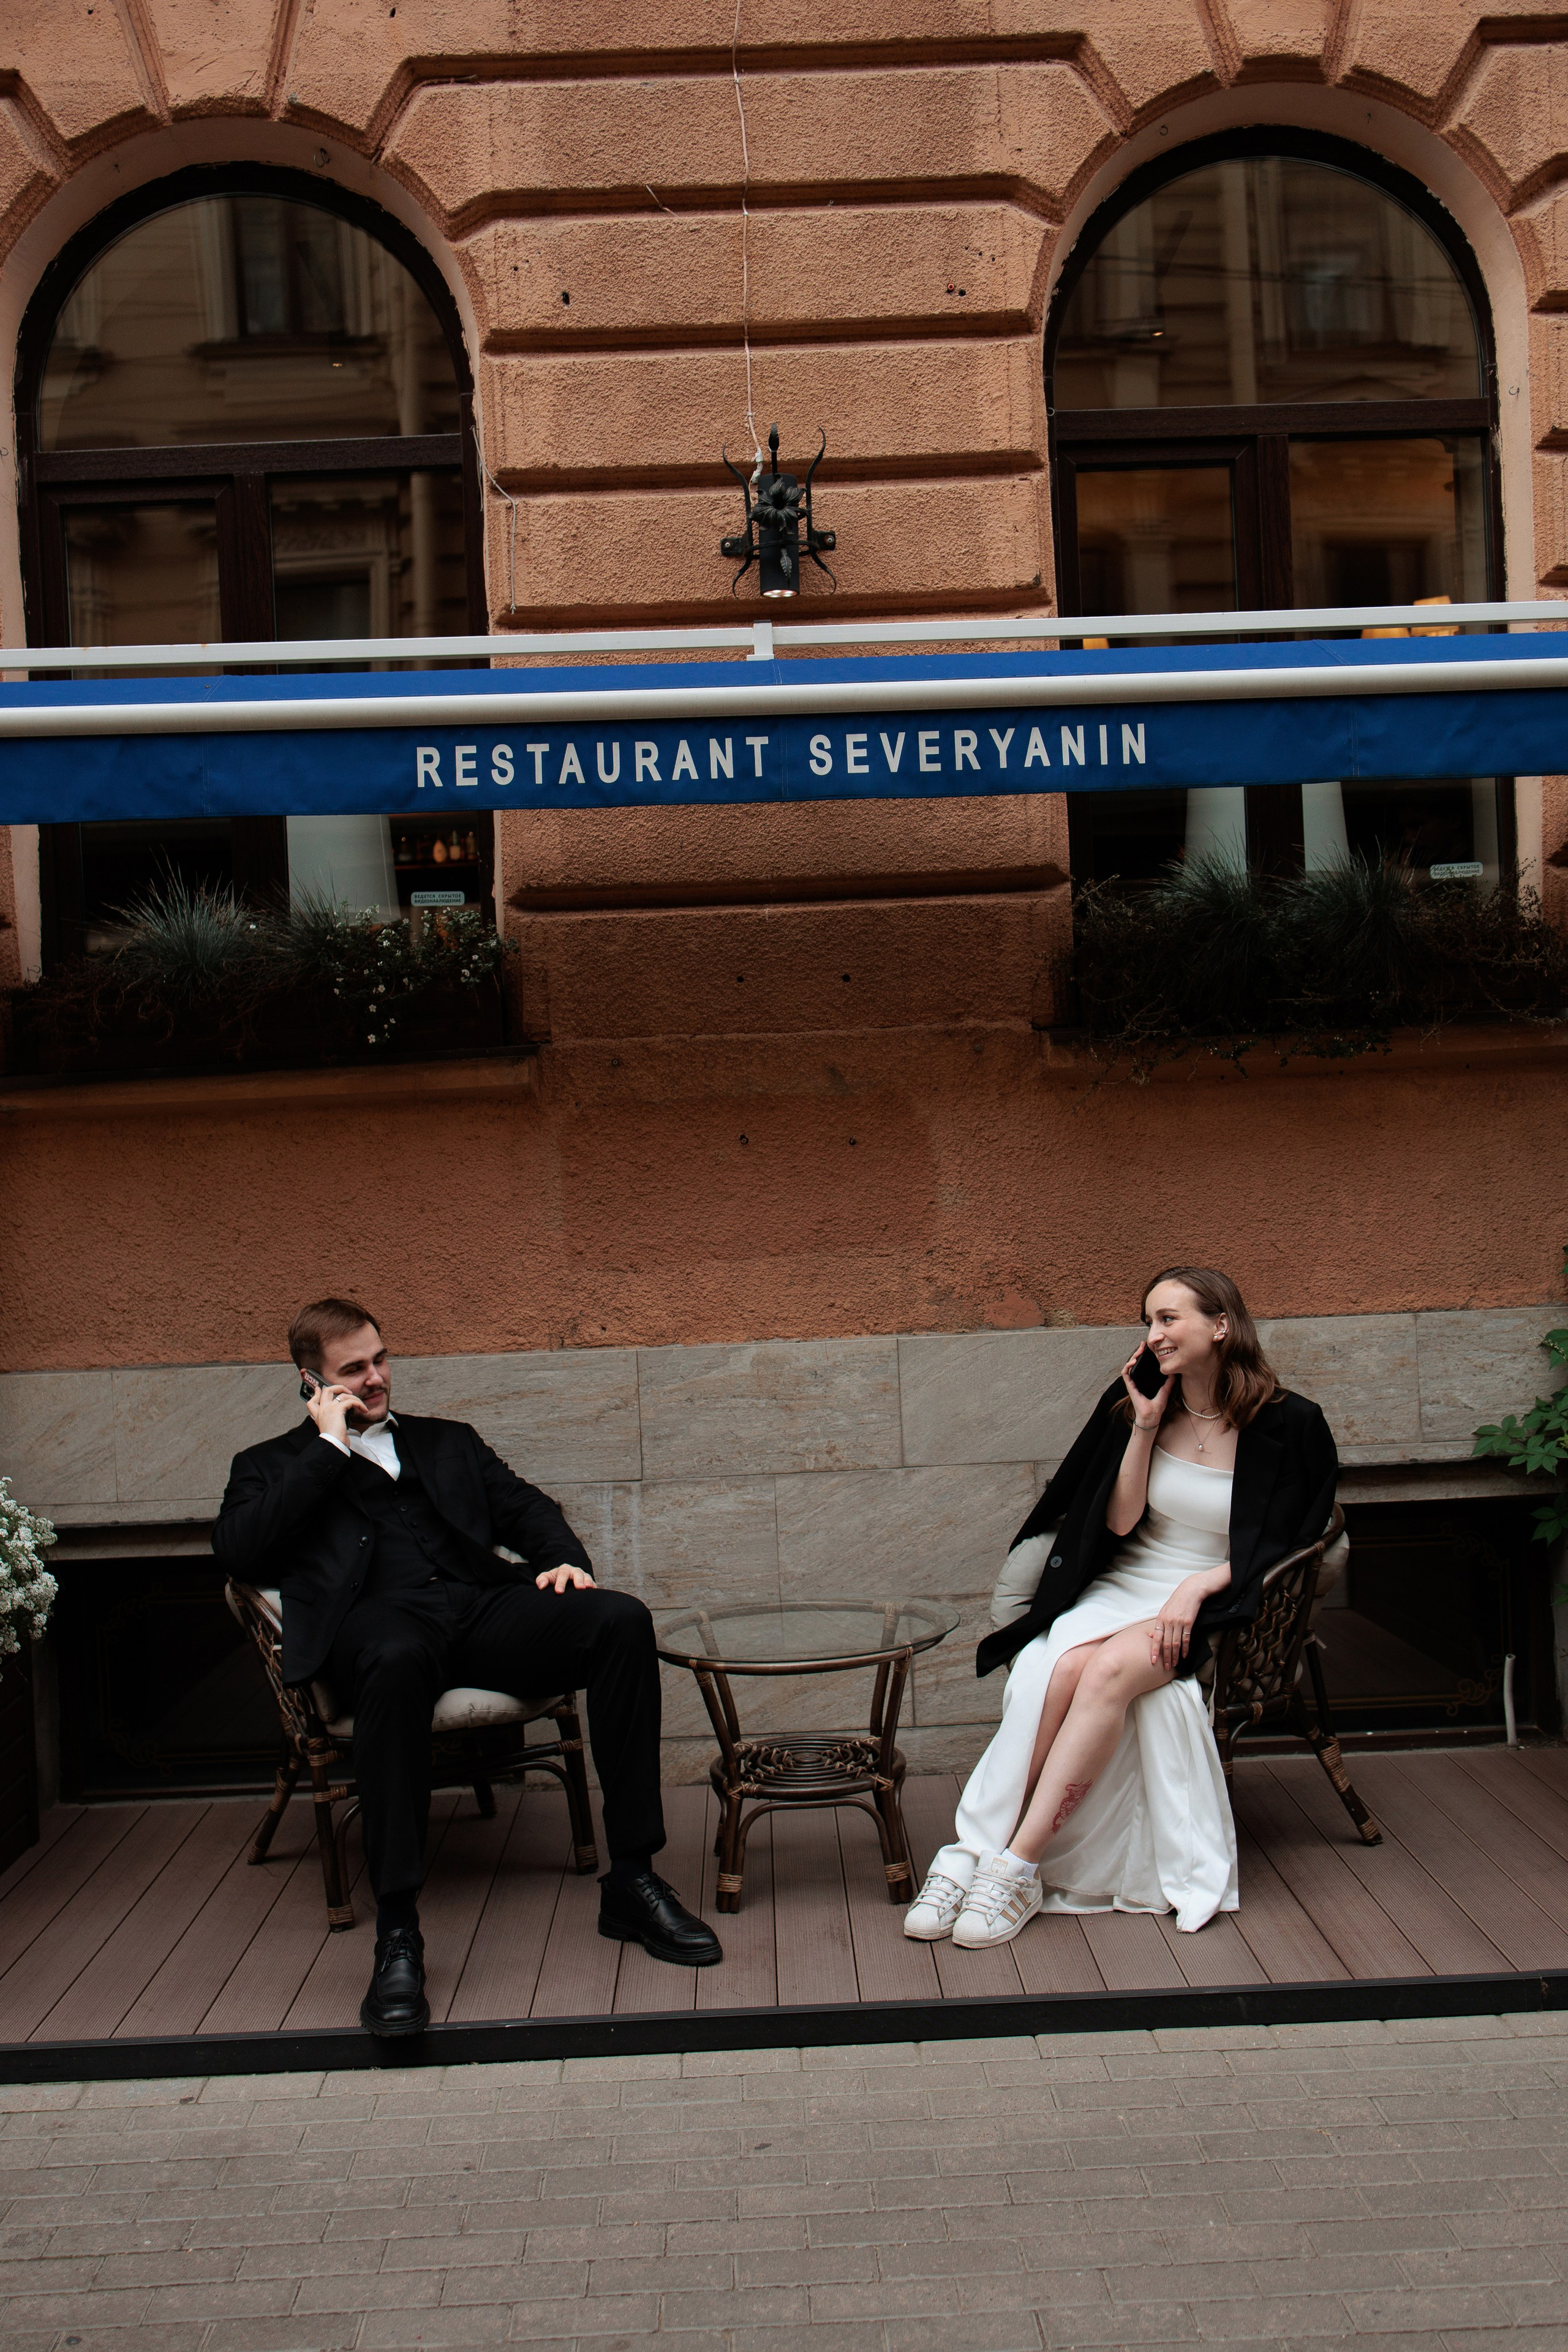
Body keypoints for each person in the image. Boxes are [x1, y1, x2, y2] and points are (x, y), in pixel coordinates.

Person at [214, 1297, 722, 2035]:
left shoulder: (448, 1442)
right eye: (353, 1370)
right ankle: (398, 1932)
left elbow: (528, 1508)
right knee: (392, 1658)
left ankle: (634, 1881)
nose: (377, 1378)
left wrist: (563, 1563)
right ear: (310, 1382)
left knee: (619, 1620)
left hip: (478, 1608)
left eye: (381, 1359)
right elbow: (240, 1552)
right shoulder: (270, 1466)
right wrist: (327, 1450)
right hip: (380, 1626)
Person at [904, 1267, 1338, 1948]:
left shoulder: (1293, 1423)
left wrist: (1196, 1589)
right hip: (1126, 1580)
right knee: (1059, 1667)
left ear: (1220, 1324)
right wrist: (1141, 1425)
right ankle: (968, 1857)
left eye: (1168, 1319)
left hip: (1211, 1595)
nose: (1153, 1334)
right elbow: (1118, 1522)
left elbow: (1293, 1539)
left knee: (1108, 1672)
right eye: (1149, 1321)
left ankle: (1015, 1869)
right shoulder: (1137, 1397)